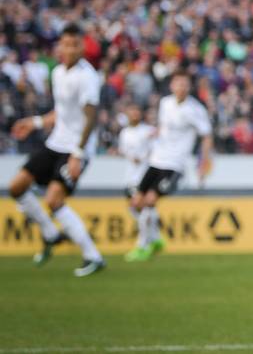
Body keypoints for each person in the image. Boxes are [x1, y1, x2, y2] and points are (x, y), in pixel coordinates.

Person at [7, 24, 106, 277]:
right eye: (66, 44)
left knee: (54, 200)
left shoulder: (87, 76)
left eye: (75, 44)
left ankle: (93, 256)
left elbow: (90, 118)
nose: (70, 49)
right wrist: (35, 122)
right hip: (56, 142)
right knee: (17, 187)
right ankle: (50, 234)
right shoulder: (59, 72)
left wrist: (78, 154)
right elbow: (62, 113)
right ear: (59, 46)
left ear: (82, 47)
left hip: (76, 148)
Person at [125, 70, 213, 262]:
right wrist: (156, 134)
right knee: (136, 203)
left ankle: (142, 246)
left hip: (174, 164)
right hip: (156, 159)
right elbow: (165, 127)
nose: (181, 87)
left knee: (149, 201)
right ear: (172, 86)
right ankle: (156, 239)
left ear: (189, 87)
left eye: (184, 84)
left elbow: (206, 135)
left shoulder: (195, 110)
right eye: (177, 83)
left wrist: (203, 162)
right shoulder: (165, 103)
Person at [116, 101, 156, 219]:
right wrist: (132, 157)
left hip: (145, 175)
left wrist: (144, 157)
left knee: (143, 206)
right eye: (132, 111)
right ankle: (151, 234)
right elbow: (123, 151)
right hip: (130, 177)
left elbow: (155, 149)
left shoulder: (148, 130)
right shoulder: (124, 133)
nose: (134, 113)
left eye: (137, 111)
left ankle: (147, 236)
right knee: (134, 208)